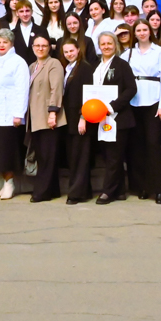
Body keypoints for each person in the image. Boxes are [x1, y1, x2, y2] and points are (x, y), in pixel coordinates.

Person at [123, 19, 161, 204]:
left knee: (153, 145)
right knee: (138, 147)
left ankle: (159, 190)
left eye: (144, 29)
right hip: (134, 102)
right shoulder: (128, 53)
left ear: (150, 31)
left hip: (153, 101)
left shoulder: (159, 51)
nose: (142, 33)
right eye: (138, 30)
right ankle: (142, 187)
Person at [0, 28, 30, 200]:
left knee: (7, 153)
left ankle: (10, 184)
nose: (1, 45)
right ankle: (4, 182)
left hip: (9, 116)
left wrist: (19, 113)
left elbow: (22, 89)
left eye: (5, 42)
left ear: (12, 43)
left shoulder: (18, 62)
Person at [93, 32, 137, 205]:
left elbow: (131, 89)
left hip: (118, 117)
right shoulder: (96, 65)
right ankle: (119, 191)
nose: (106, 46)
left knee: (114, 156)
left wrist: (113, 106)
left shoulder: (122, 64)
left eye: (109, 43)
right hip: (100, 118)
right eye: (103, 44)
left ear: (115, 45)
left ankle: (107, 192)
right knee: (108, 155)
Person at [26, 35, 67, 202]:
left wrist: (53, 112)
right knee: (43, 155)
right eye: (37, 45)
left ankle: (41, 192)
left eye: (44, 45)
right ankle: (53, 190)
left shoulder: (54, 64)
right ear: (33, 47)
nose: (40, 48)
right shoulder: (32, 66)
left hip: (48, 116)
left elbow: (56, 88)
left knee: (47, 157)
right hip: (35, 117)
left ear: (49, 47)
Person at [59, 38, 95, 204]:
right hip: (70, 119)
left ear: (78, 50)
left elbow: (88, 95)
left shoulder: (85, 68)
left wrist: (83, 117)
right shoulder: (67, 68)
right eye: (66, 52)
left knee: (79, 158)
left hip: (81, 119)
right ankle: (85, 191)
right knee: (75, 157)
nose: (69, 54)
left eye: (71, 51)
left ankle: (75, 194)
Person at [12, 0, 49, 66]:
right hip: (19, 67)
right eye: (21, 11)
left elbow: (47, 49)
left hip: (38, 67)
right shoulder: (13, 33)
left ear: (32, 12)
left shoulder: (41, 30)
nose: (25, 14)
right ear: (17, 13)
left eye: (27, 11)